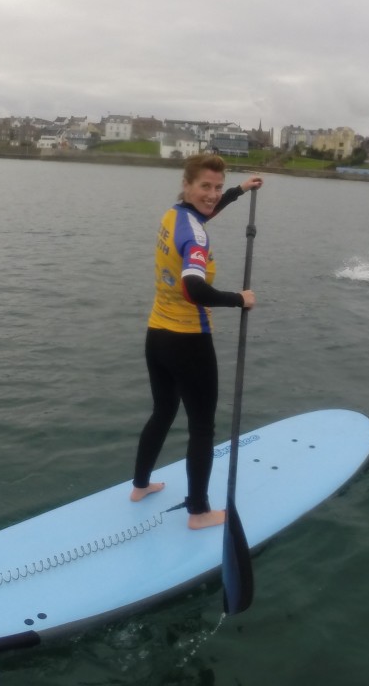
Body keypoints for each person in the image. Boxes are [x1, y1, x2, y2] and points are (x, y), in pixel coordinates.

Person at [130, 153, 263, 530]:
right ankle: (199, 512)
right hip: (189, 342)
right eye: (205, 186)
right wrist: (239, 299)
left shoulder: (174, 215)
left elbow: (205, 212)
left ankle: (139, 485)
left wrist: (239, 191)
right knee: (202, 428)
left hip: (157, 336)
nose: (211, 194)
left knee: (163, 411)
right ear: (186, 185)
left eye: (217, 187)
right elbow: (193, 287)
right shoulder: (196, 235)